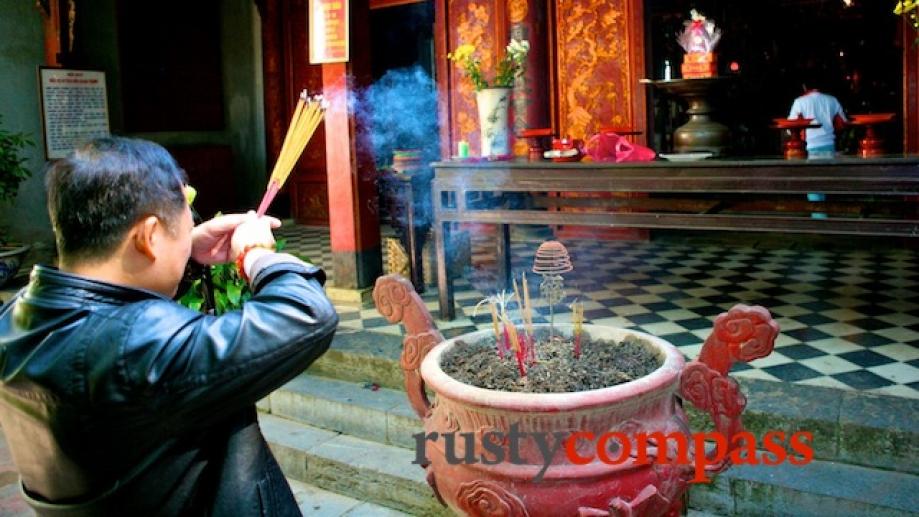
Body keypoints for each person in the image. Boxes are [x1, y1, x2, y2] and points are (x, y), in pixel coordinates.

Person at [0, 137, 338, 515]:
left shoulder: (20, 316)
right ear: (147, 237)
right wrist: (256, 255)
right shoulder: (137, 344)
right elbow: (306, 314)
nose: (190, 230)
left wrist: (185, 249)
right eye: (184, 222)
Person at [788, 76, 847, 217]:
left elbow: (790, 127)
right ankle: (823, 217)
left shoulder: (799, 102)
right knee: (825, 183)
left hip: (811, 147)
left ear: (804, 87)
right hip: (829, 145)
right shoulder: (832, 100)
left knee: (813, 185)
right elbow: (842, 123)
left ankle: (819, 220)